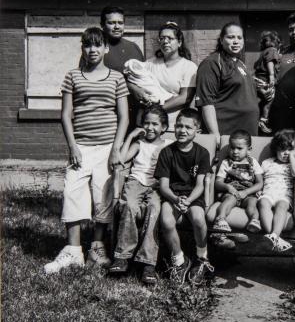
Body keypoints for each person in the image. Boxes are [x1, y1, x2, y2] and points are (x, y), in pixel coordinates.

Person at [44, 27, 129, 274]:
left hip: (107, 147)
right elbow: (65, 115)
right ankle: (73, 251)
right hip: (80, 146)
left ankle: (97, 247)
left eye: (97, 45)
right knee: (72, 192)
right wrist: (72, 147)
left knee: (102, 197)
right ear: (82, 48)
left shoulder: (116, 77)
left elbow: (123, 117)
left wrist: (116, 149)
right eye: (87, 45)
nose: (92, 50)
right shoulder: (73, 76)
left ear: (105, 48)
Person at [108, 105, 173, 285]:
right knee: (129, 206)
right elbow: (120, 160)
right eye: (146, 123)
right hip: (135, 182)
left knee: (154, 210)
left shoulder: (168, 145)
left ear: (164, 127)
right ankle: (122, 256)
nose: (150, 127)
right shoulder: (139, 143)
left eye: (155, 124)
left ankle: (148, 262)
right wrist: (130, 136)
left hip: (157, 184)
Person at [155, 108, 214, 285]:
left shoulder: (202, 153)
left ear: (198, 131)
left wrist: (187, 201)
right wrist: (176, 200)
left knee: (198, 218)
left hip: (193, 196)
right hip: (172, 195)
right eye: (179, 126)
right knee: (166, 221)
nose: (182, 130)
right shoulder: (166, 152)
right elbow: (164, 186)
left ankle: (202, 258)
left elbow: (200, 185)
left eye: (188, 127)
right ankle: (179, 260)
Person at [195, 22, 259, 143]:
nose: (236, 41)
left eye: (239, 37)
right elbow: (206, 102)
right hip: (227, 134)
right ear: (221, 40)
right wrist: (215, 136)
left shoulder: (240, 64)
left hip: (247, 133)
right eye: (231, 37)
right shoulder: (212, 63)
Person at [129, 22, 197, 131]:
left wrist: (156, 111)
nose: (165, 42)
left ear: (179, 42)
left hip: (172, 124)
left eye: (170, 38)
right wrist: (136, 89)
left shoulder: (188, 67)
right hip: (148, 124)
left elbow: (185, 97)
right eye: (162, 38)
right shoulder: (150, 64)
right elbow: (131, 79)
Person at [212, 130, 264, 249]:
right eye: (232, 148)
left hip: (248, 193)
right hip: (231, 192)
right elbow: (218, 182)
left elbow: (260, 183)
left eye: (239, 148)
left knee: (252, 203)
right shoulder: (226, 162)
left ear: (249, 149)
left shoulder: (253, 162)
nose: (235, 152)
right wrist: (227, 187)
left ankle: (255, 221)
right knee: (229, 200)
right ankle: (220, 219)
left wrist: (246, 192)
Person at [99, 6, 145, 129]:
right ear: (102, 25)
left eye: (120, 23)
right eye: (111, 23)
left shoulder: (133, 47)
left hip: (134, 115)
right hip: (107, 115)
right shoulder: (96, 49)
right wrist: (130, 87)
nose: (117, 27)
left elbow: (144, 79)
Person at [258, 129, 295, 252]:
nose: (286, 153)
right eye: (282, 149)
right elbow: (260, 179)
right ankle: (272, 237)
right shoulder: (266, 163)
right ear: (275, 149)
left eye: (290, 150)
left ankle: (274, 235)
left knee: (281, 206)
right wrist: (258, 190)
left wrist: (293, 158)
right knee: (262, 203)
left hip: (284, 195)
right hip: (268, 193)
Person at [253, 31, 282, 134]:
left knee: (264, 100)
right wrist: (271, 76)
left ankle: (261, 119)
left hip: (258, 80)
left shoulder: (263, 52)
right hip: (265, 80)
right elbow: (270, 62)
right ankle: (263, 121)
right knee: (270, 100)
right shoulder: (273, 50)